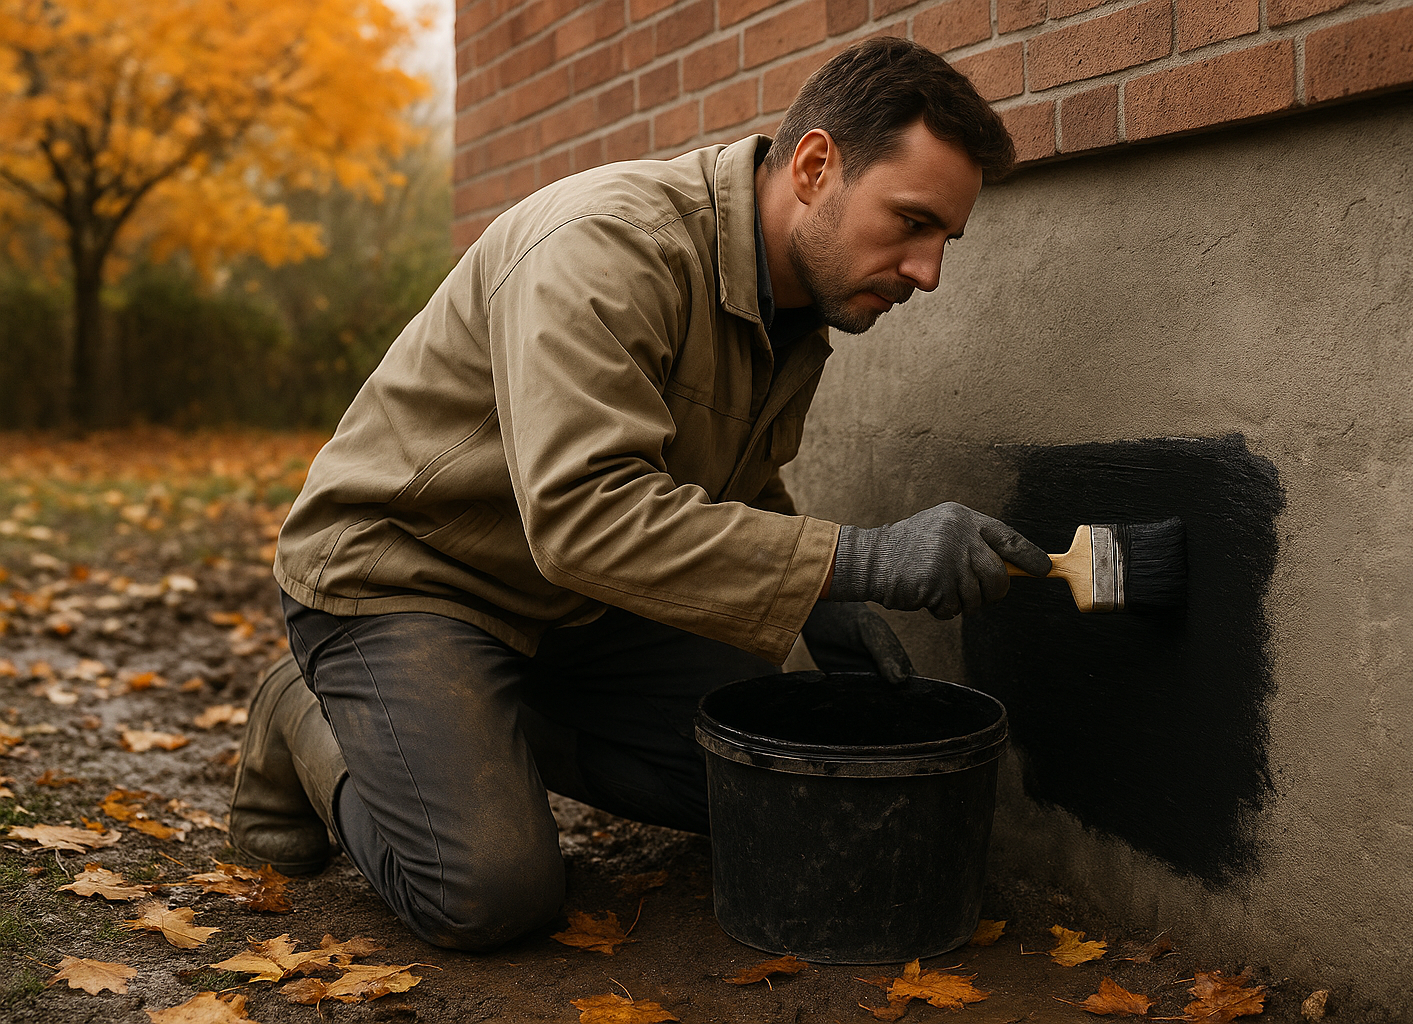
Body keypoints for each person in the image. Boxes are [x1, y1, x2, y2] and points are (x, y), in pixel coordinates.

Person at [230, 36, 1053, 951]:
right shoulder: (610, 247)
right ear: (818, 166)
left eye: (946, 239)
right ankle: (307, 714)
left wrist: (826, 599)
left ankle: (467, 734)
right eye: (910, 222)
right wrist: (856, 560)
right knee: (489, 893)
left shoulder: (795, 305)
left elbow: (728, 479)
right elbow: (586, 514)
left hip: (577, 604)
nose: (928, 272)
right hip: (408, 578)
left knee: (767, 788)